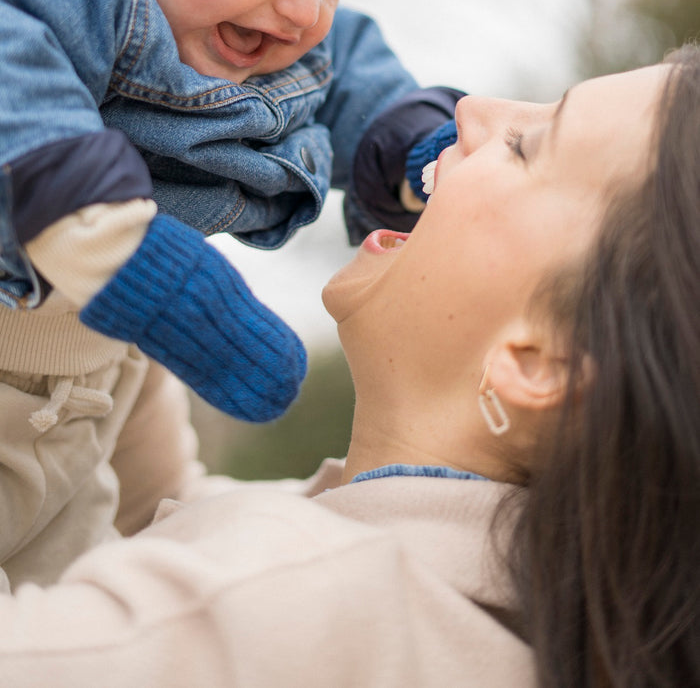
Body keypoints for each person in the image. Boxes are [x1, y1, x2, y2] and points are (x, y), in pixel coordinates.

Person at [0, 49, 697, 688]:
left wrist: (64, 217)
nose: (470, 108)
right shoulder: (457, 619)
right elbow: (138, 513)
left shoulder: (294, 604)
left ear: (542, 364)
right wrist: (87, 290)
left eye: (525, 146)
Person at [0, 0, 462, 588]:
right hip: (35, 325)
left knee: (82, 593)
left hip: (94, 376)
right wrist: (115, 246)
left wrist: (417, 145)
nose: (304, 8)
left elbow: (353, 71)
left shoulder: (273, 31)